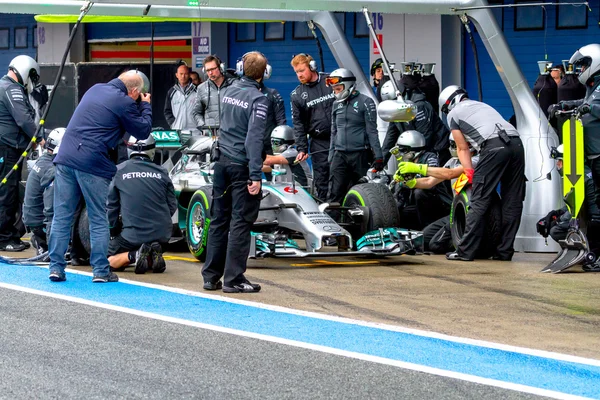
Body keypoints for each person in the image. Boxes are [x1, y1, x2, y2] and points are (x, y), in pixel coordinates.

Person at [47, 70, 152, 283]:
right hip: (91, 162)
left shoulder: (95, 89)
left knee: (62, 216)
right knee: (97, 217)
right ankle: (101, 271)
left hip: (65, 157)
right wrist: (145, 105)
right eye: (139, 94)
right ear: (134, 91)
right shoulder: (125, 102)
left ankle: (56, 268)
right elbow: (142, 130)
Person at [202, 51, 269, 293]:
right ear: (264, 74)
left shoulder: (228, 90)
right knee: (240, 222)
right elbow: (254, 139)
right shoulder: (259, 100)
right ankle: (233, 279)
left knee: (219, 220)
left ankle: (210, 277)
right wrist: (256, 175)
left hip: (221, 163)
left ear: (241, 68)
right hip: (241, 167)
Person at [440, 85, 525, 262]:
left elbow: (462, 148)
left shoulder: (453, 114)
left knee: (478, 199)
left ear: (448, 104)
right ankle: (504, 251)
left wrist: (469, 171)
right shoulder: (482, 105)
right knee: (513, 201)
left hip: (493, 146)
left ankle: (465, 251)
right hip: (517, 144)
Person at [398, 133, 479, 254]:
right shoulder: (452, 161)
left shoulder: (475, 160)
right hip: (456, 212)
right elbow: (430, 181)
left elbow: (449, 174)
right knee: (423, 239)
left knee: (435, 245)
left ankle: (462, 244)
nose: (451, 148)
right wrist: (410, 182)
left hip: (472, 213)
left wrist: (418, 168)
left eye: (454, 144)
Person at [107, 135, 176, 274]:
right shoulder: (162, 172)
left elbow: (111, 207)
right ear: (152, 151)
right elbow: (172, 206)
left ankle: (134, 255)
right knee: (149, 245)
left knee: (103, 260)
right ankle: (151, 253)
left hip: (132, 237)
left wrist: (113, 231)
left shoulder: (119, 171)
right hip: (163, 236)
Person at [548, 44, 600, 209]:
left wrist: (590, 109)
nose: (581, 69)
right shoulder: (593, 86)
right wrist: (564, 105)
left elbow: (591, 106)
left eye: (584, 65)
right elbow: (585, 103)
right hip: (592, 154)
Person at [536, 144, 600, 271]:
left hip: (595, 224)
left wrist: (557, 221)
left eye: (560, 161)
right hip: (593, 221)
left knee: (556, 230)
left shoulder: (579, 176)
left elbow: (574, 209)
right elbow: (572, 205)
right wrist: (555, 214)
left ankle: (590, 255)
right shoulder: (584, 171)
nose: (558, 165)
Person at [0, 55, 40, 252]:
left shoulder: (6, 87)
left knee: (11, 192)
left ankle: (10, 236)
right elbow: (24, 120)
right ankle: (3, 238)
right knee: (6, 194)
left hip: (10, 148)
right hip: (7, 149)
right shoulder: (11, 88)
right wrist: (38, 139)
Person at [327, 68, 383, 205]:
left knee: (364, 193)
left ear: (348, 85)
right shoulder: (335, 104)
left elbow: (372, 131)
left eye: (338, 88)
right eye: (334, 89)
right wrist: (331, 154)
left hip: (360, 154)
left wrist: (379, 155)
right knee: (334, 193)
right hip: (339, 155)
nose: (336, 91)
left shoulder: (366, 102)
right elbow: (334, 131)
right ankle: (333, 223)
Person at [290, 53, 335, 200]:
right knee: (322, 181)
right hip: (319, 143)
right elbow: (298, 124)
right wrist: (302, 148)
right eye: (296, 72)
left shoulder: (331, 80)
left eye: (302, 70)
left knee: (342, 177)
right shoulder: (297, 95)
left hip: (340, 138)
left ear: (312, 67)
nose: (299, 75)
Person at [391, 130, 452, 230]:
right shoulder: (406, 163)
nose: (400, 154)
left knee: (420, 192)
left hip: (438, 204)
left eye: (402, 150)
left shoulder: (430, 157)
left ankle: (427, 229)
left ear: (412, 150)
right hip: (417, 206)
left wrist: (409, 180)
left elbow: (430, 183)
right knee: (400, 212)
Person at [380, 80, 450, 166]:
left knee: (434, 177)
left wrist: (413, 159)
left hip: (437, 148)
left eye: (394, 101)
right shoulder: (396, 110)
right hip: (418, 150)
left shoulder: (418, 106)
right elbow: (391, 135)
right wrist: (381, 160)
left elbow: (425, 135)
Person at [22, 127, 64, 257]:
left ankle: (40, 240)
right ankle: (46, 242)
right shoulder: (51, 167)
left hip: (32, 220)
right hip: (40, 222)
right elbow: (50, 205)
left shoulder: (44, 160)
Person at [193, 55, 236, 133]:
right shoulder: (201, 88)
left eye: (213, 69)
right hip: (210, 136)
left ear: (221, 68)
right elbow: (196, 112)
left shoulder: (234, 86)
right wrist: (203, 127)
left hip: (231, 135)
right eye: (207, 70)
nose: (210, 73)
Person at [164, 64, 197, 133]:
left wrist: (200, 125)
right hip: (177, 130)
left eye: (186, 74)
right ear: (176, 75)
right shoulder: (171, 92)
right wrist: (173, 123)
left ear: (189, 75)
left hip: (195, 130)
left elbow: (202, 110)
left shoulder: (196, 90)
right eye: (181, 74)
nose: (183, 76)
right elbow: (167, 111)